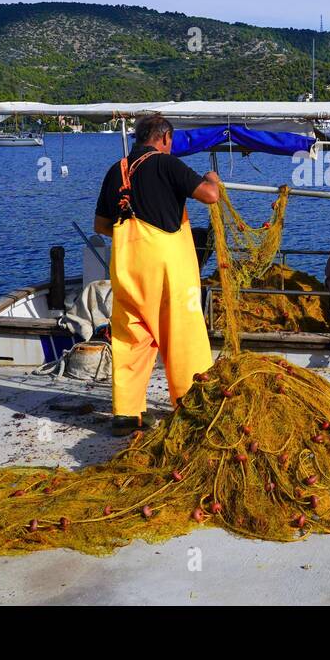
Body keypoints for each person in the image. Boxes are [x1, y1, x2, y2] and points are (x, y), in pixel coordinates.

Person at [94, 114, 221, 435]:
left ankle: (127, 415)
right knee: (181, 335)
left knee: (130, 337)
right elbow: (209, 196)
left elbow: (101, 226)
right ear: (165, 138)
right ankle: (191, 406)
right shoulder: (167, 163)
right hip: (167, 270)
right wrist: (212, 179)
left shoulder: (116, 170)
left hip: (127, 268)